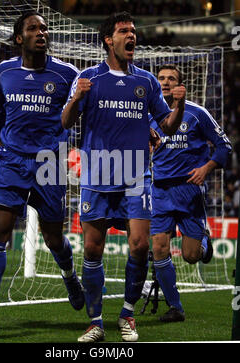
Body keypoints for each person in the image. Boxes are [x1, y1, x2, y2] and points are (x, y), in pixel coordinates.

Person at [61, 12, 186, 342]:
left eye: (133, 31)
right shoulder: (89, 77)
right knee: (92, 249)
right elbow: (66, 121)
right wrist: (76, 97)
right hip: (97, 176)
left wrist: (180, 106)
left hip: (137, 176)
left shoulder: (145, 82)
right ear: (109, 39)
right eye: (124, 31)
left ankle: (128, 314)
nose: (132, 36)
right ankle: (95, 322)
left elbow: (168, 125)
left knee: (140, 245)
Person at [0, 11, 84, 337]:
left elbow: (75, 116)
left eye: (44, 28)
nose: (41, 33)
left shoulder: (66, 73)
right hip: (12, 161)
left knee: (53, 237)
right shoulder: (5, 71)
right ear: (19, 37)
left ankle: (70, 274)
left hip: (49, 164)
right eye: (33, 28)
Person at [149, 64, 232, 322]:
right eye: (161, 78)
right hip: (160, 190)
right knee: (159, 247)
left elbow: (224, 146)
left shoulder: (197, 114)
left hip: (189, 190)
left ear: (180, 85)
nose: (165, 82)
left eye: (171, 78)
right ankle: (175, 307)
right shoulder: (149, 115)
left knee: (191, 256)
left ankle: (203, 239)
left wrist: (206, 169)